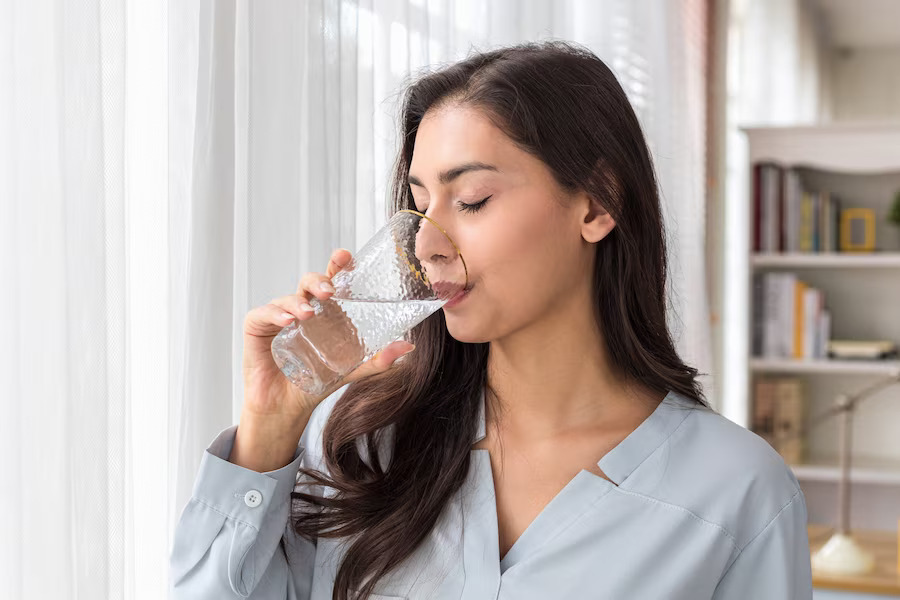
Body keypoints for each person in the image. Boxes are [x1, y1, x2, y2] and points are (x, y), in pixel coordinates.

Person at [170, 40, 812, 599]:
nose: (425, 243)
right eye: (419, 204)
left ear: (597, 204)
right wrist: (269, 430)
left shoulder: (737, 492)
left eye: (472, 200)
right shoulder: (361, 441)